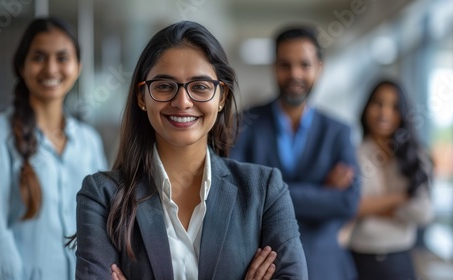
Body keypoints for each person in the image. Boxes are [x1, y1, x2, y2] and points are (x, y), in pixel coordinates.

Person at [74, 21, 308, 280]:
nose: (182, 102)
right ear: (142, 97)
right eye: (164, 86)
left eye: (199, 87)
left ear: (221, 97)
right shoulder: (101, 196)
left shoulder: (264, 190)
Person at [0, 17, 107, 279]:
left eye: (62, 58)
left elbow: (101, 224)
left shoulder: (89, 141)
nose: (51, 69)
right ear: (21, 65)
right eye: (39, 57)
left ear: (78, 67)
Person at [230, 26, 360, 280]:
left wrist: (267, 192)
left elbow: (348, 202)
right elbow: (235, 193)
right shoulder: (243, 123)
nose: (295, 74)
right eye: (285, 65)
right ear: (274, 67)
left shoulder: (339, 132)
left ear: (319, 67)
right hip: (261, 268)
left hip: (327, 267)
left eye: (304, 65)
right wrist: (322, 191)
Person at [348, 80, 433, 280]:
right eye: (378, 104)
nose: (384, 113)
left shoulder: (416, 156)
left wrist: (371, 208)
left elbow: (423, 213)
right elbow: (351, 207)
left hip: (400, 261)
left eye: (394, 107)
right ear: (367, 107)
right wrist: (400, 198)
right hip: (358, 261)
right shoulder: (352, 155)